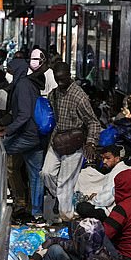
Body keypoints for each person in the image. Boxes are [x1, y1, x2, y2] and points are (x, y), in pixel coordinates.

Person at [0, 57, 45, 222]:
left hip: (27, 135)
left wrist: (5, 132)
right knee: (35, 174)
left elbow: (24, 115)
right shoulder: (27, 84)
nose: (8, 74)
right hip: (35, 135)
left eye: (10, 71)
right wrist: (3, 126)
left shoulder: (22, 85)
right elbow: (17, 114)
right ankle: (36, 213)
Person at [41, 61, 101, 222]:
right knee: (46, 173)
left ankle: (66, 217)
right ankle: (60, 198)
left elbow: (93, 122)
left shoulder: (79, 97)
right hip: (57, 139)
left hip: (75, 142)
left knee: (65, 183)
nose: (60, 83)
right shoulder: (54, 94)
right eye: (57, 79)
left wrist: (91, 143)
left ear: (69, 76)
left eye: (63, 79)